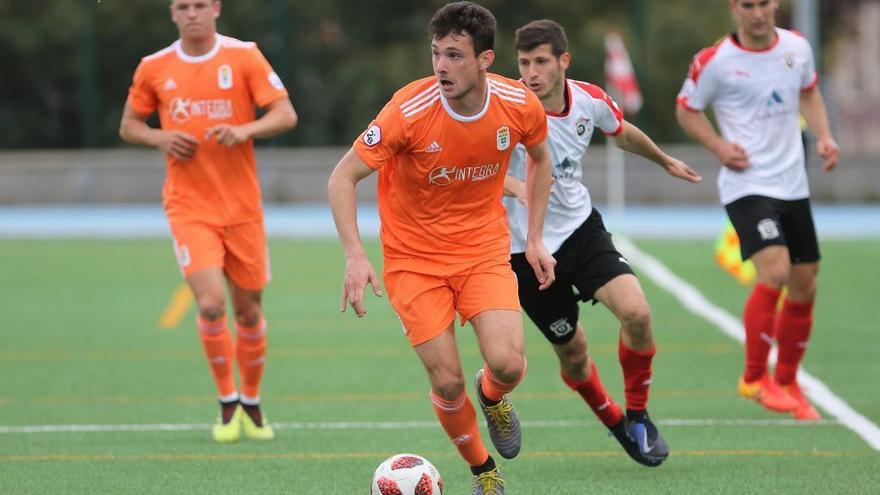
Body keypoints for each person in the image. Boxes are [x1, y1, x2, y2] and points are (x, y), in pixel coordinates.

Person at [327, 3, 555, 493]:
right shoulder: (408, 110)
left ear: (485, 59)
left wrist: (533, 237)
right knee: (447, 381)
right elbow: (342, 176)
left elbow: (540, 158)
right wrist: (354, 254)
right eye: (436, 53)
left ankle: (493, 396)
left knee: (509, 364)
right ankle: (484, 471)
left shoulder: (518, 104)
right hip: (414, 262)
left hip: (482, 251)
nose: (441, 66)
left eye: (454, 55)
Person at [504, 19, 701, 467]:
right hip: (524, 253)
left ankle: (637, 416)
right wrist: (518, 187)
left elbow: (620, 130)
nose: (531, 73)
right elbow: (475, 166)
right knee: (573, 356)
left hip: (580, 231)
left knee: (637, 312)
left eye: (540, 62)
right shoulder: (506, 106)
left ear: (563, 61)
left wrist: (664, 159)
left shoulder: (588, 99)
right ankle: (615, 422)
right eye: (524, 63)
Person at [119, 0, 298, 442]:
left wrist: (245, 130)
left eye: (200, 4)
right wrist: (159, 135)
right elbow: (129, 125)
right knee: (212, 304)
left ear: (216, 8)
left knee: (249, 311)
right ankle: (226, 403)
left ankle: (252, 406)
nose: (192, 13)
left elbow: (285, 114)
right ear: (172, 13)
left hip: (243, 210)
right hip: (189, 207)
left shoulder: (244, 55)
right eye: (183, 6)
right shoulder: (154, 66)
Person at [676, 0, 839, 420]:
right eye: (748, 4)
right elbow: (686, 109)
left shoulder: (797, 48)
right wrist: (718, 147)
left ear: (776, 4)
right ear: (734, 7)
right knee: (776, 272)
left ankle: (786, 382)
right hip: (747, 185)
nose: (758, 13)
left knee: (806, 285)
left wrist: (823, 136)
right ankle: (752, 379)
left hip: (793, 185)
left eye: (764, 3)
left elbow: (809, 92)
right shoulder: (715, 61)